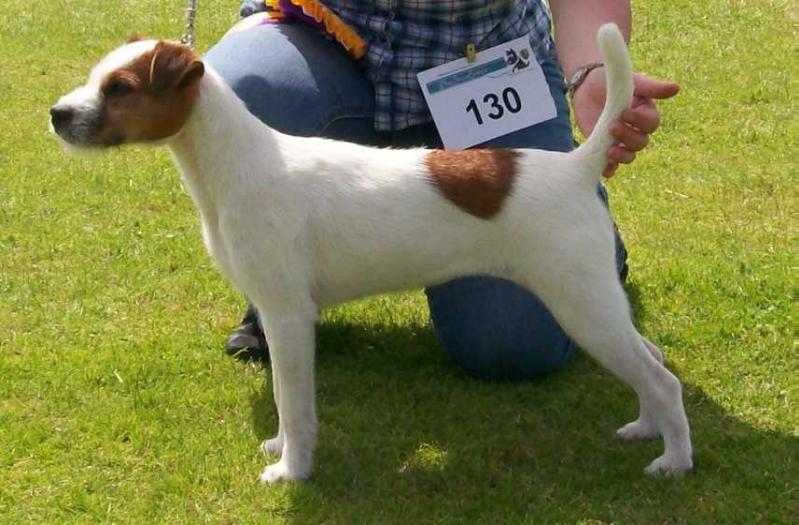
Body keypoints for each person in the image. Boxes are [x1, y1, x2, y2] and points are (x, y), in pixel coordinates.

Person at [207, 0, 679, 379]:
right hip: (325, 39)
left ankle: (576, 232)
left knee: (507, 340)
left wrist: (591, 72)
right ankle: (278, 294)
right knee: (240, 91)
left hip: (484, 63)